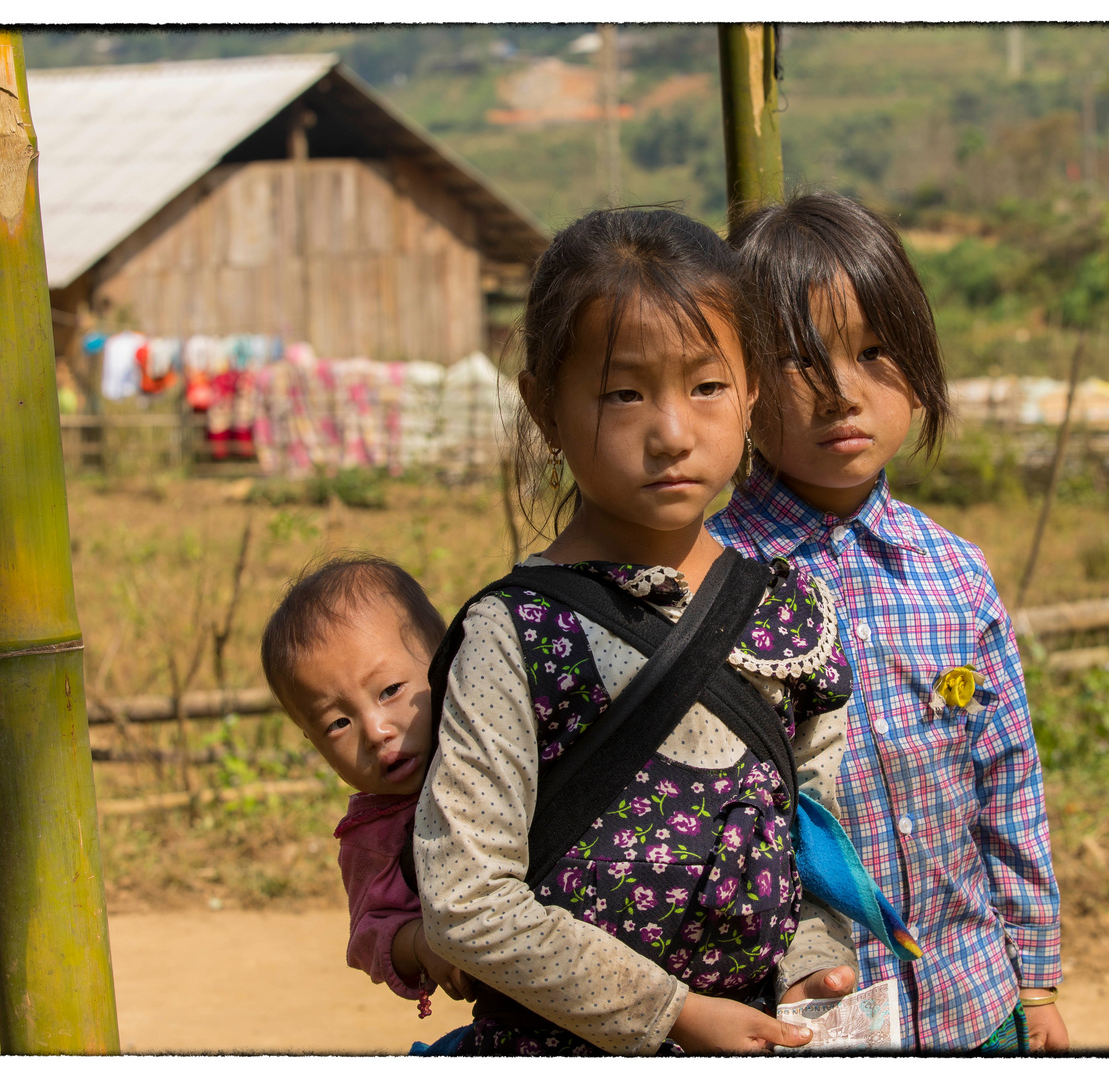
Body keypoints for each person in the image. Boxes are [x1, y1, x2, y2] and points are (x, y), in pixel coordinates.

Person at [408, 207, 859, 1056]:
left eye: (707, 386)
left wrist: (810, 964)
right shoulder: (517, 635)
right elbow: (466, 898)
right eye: (624, 393)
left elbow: (816, 836)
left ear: (752, 388)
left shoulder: (790, 613)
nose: (673, 433)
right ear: (544, 406)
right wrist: (675, 1015)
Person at [709, 192, 1069, 1053]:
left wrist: (1036, 978)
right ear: (743, 381)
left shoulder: (955, 573)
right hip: (811, 1024)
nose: (843, 393)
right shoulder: (707, 581)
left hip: (976, 1003)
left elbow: (1007, 781)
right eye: (800, 361)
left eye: (876, 351)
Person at [259, 555, 474, 1017]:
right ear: (310, 740)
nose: (376, 731)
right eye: (338, 722)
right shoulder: (375, 839)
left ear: (445, 657)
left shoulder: (505, 743)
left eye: (390, 690)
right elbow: (370, 935)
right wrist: (422, 943)